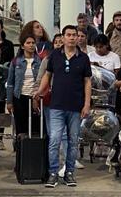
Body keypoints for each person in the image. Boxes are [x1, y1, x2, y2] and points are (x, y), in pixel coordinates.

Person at [33, 25, 91, 188]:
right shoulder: (54, 56)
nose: (72, 38)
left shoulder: (83, 58)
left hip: (76, 107)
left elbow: (87, 82)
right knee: (54, 140)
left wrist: (87, 104)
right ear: (63, 38)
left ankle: (69, 173)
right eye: (69, 35)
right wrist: (39, 92)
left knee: (73, 142)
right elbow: (47, 75)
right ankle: (53, 173)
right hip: (56, 106)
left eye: (75, 35)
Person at [6, 34, 41, 135]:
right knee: (20, 127)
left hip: (35, 98)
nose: (31, 45)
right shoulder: (16, 61)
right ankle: (19, 148)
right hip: (19, 97)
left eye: (33, 43)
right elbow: (10, 82)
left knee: (35, 127)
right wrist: (9, 101)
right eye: (28, 43)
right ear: (22, 46)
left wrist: (37, 96)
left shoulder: (40, 61)